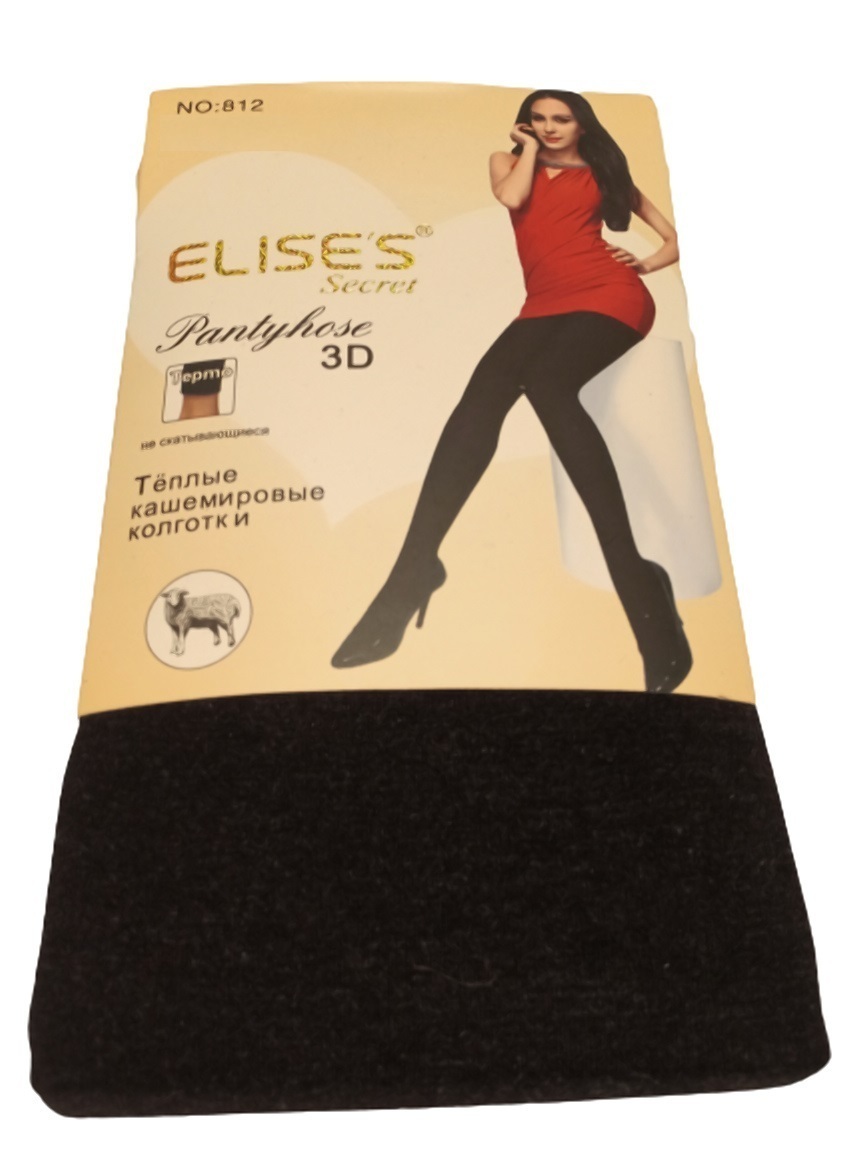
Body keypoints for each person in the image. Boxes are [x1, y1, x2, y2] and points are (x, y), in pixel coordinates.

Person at [331, 89, 692, 694]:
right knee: (479, 400)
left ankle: (636, 585)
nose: (549, 128)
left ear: (582, 124)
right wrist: (526, 149)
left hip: (610, 296)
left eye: (562, 119)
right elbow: (514, 198)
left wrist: (648, 264)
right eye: (539, 120)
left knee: (548, 384)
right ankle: (413, 571)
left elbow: (676, 237)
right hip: (542, 304)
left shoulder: (605, 173)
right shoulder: (507, 163)